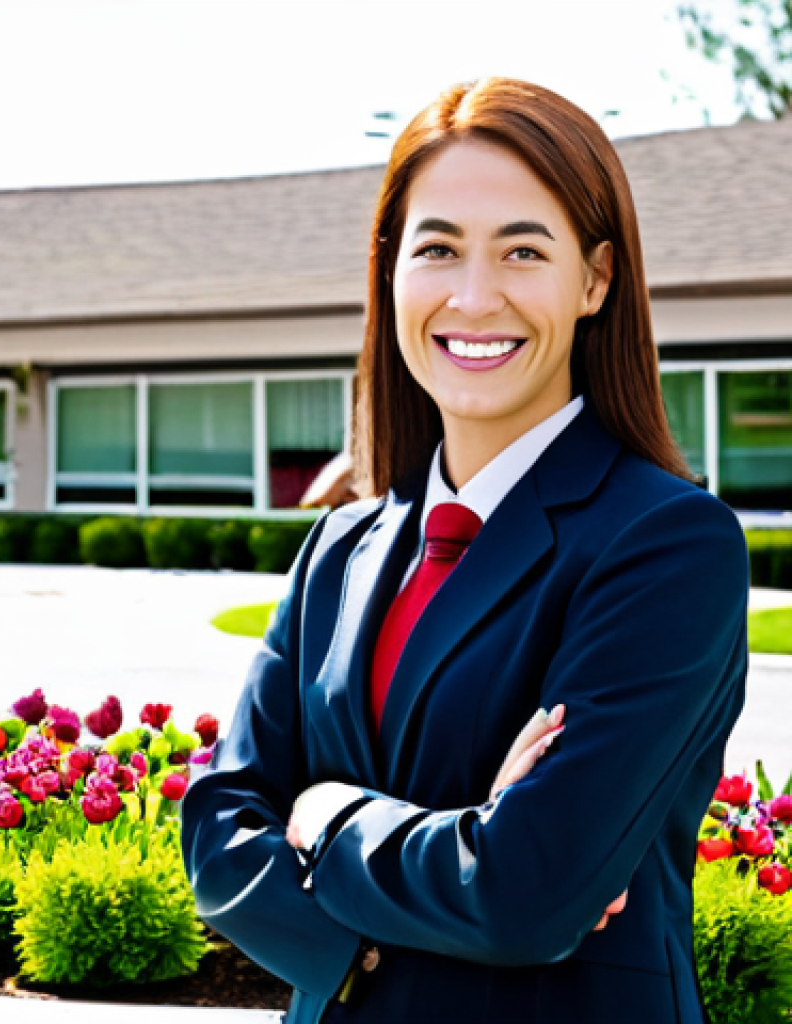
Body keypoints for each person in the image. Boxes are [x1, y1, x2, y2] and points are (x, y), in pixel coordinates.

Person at [180, 77, 749, 1024]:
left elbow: (527, 892)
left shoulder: (666, 544)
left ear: (595, 279)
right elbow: (219, 830)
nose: (474, 297)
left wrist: (319, 816)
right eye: (438, 248)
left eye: (523, 250)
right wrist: (447, 854)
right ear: (391, 271)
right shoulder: (342, 548)